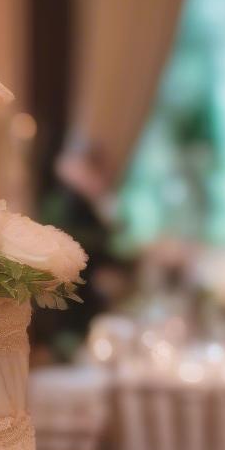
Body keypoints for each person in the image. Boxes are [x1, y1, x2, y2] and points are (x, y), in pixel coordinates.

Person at [33, 140, 129, 363]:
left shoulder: (87, 202)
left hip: (81, 298)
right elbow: (68, 240)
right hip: (64, 302)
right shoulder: (66, 199)